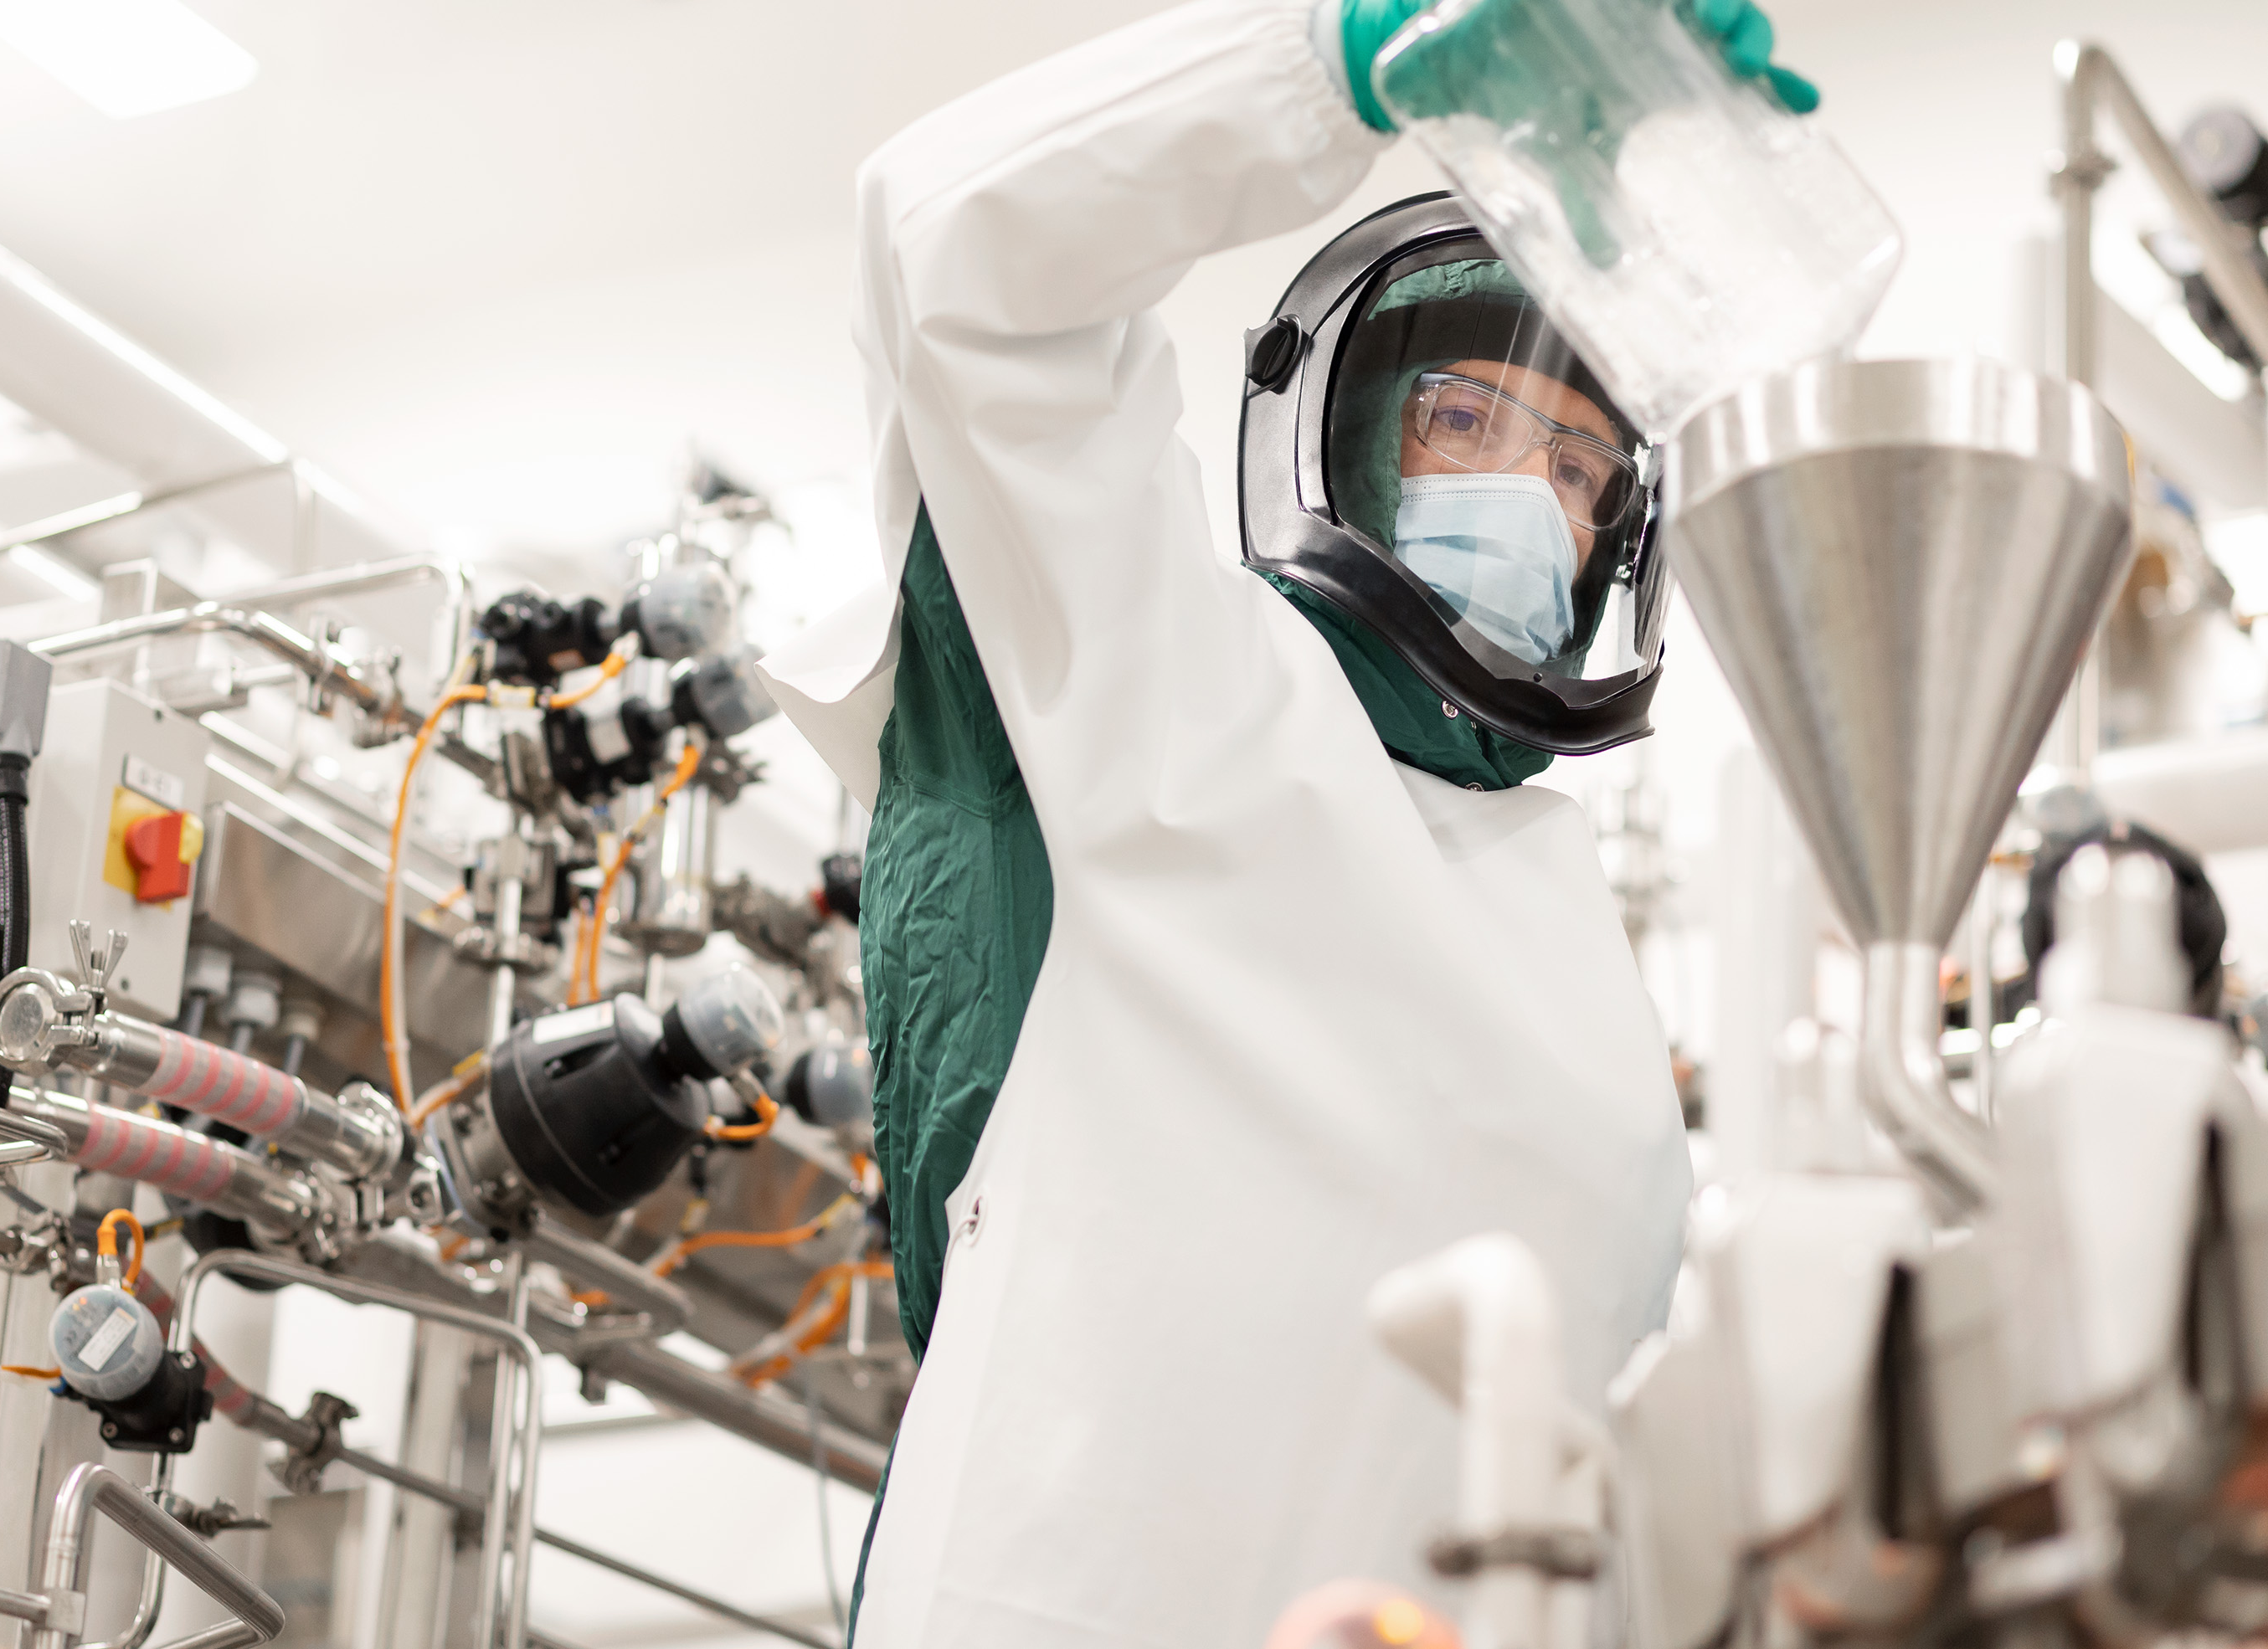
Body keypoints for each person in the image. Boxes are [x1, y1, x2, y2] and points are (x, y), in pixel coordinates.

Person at [753, 0, 1815, 1641]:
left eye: (1583, 476)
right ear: (1351, 441)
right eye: (1467, 421)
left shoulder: (1573, 920)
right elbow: (953, 245)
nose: (1534, 498)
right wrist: (1338, 65)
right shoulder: (1176, 674)